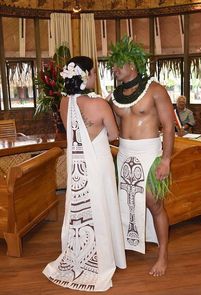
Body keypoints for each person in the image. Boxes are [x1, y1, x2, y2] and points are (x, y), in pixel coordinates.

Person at [43, 56, 126, 292]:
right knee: (102, 204)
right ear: (86, 74)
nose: (95, 76)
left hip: (76, 163)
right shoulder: (99, 104)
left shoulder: (63, 102)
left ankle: (80, 252)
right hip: (98, 163)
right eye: (93, 72)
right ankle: (107, 255)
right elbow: (112, 135)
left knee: (81, 208)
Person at [107, 36, 175, 277]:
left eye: (118, 64)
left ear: (132, 65)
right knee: (127, 202)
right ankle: (132, 242)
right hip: (124, 154)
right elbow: (112, 130)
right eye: (112, 65)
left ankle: (163, 254)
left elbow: (168, 126)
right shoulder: (114, 96)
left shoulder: (155, 89)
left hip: (150, 153)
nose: (114, 69)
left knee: (154, 203)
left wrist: (166, 159)